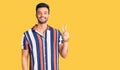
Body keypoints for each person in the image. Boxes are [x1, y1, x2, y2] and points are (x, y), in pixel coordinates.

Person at [21, 3, 69, 70]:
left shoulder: (56, 33)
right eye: (39, 13)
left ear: (48, 15)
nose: (42, 15)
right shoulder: (27, 35)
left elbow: (64, 55)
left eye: (45, 13)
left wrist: (66, 41)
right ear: (36, 15)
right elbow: (24, 57)